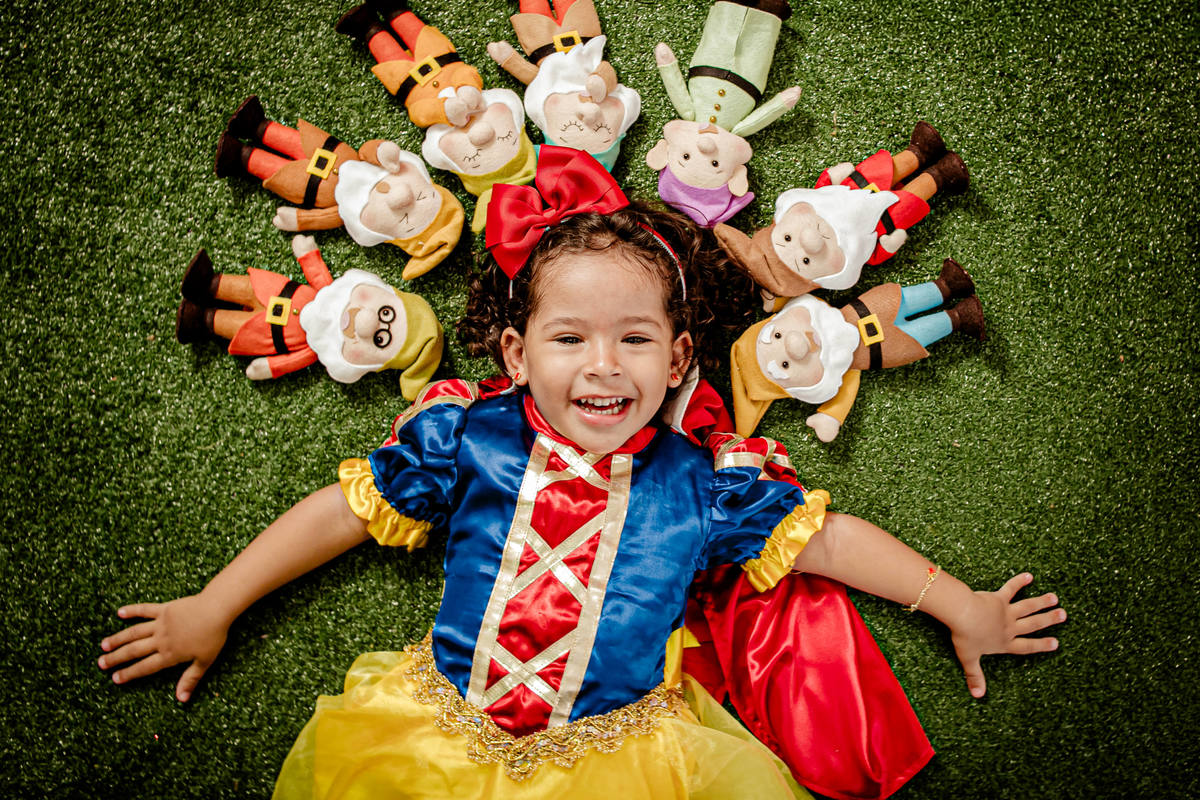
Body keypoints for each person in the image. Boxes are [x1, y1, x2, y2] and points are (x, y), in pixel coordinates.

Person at [100, 147, 1065, 799]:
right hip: (433, 748)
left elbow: (834, 544)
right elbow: (341, 515)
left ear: (680, 361)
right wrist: (214, 604)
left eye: (635, 339)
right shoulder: (466, 437)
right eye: (570, 338)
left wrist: (958, 603)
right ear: (517, 356)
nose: (603, 364)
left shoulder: (708, 481)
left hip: (633, 764)